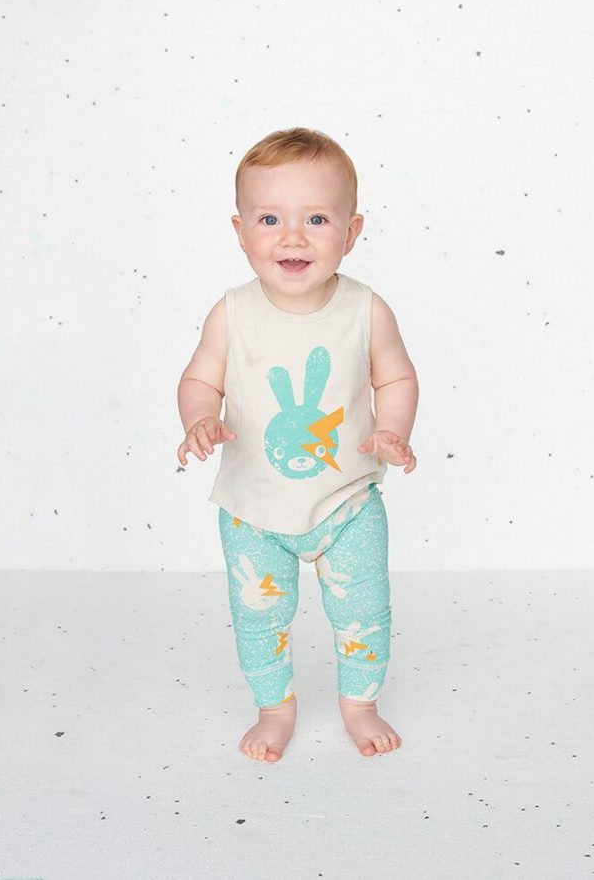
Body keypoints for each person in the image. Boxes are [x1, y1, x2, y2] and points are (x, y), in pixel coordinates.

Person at [176, 127, 419, 762]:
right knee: (260, 616)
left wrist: (393, 429)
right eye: (269, 219)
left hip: (348, 502)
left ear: (352, 231)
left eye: (316, 219)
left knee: (364, 609)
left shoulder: (366, 310)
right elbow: (200, 379)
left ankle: (360, 704)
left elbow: (395, 377)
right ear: (240, 231)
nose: (293, 237)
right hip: (253, 511)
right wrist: (199, 417)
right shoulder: (232, 313)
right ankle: (274, 708)